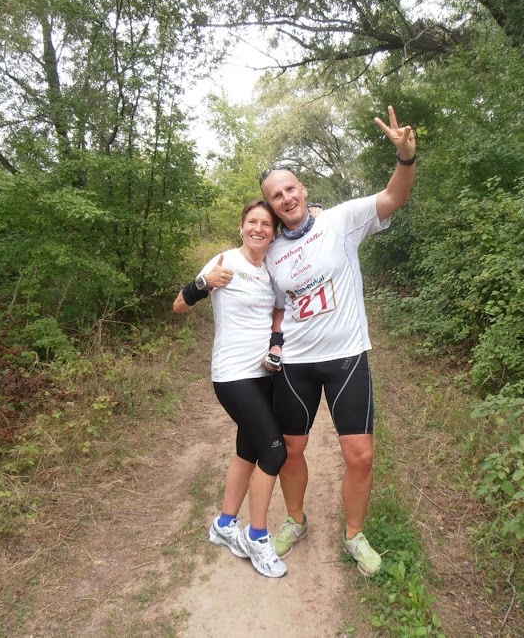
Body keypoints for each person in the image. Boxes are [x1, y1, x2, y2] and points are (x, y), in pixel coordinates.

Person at [258, 105, 417, 576]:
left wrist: (405, 158)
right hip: (297, 364)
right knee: (291, 449)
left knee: (360, 455)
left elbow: (393, 197)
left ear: (303, 190)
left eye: (290, 189)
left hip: (347, 357)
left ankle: (354, 535)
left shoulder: (342, 220)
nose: (285, 198)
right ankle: (295, 520)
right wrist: (275, 341)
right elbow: (276, 305)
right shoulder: (271, 252)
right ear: (271, 206)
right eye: (276, 196)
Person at [173, 200, 288, 578]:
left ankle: (224, 524)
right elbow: (179, 305)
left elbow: (278, 312)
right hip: (232, 375)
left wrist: (275, 345)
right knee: (274, 452)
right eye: (252, 222)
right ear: (241, 227)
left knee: (248, 451)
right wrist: (203, 283)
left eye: (266, 224)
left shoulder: (270, 269)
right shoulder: (225, 261)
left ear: (273, 233)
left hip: (264, 375)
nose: (259, 229)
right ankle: (257, 536)